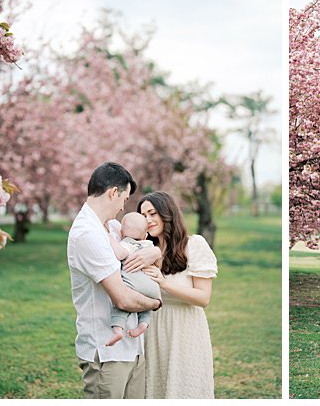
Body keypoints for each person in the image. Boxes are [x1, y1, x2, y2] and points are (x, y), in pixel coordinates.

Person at [67, 162, 163, 399]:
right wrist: (155, 303)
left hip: (132, 349)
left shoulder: (112, 226)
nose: (123, 207)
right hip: (107, 353)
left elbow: (140, 247)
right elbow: (123, 299)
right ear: (113, 193)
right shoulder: (88, 233)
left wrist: (154, 252)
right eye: (125, 199)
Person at [138, 191, 218, 398]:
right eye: (143, 215)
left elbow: (203, 298)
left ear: (167, 213)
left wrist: (164, 283)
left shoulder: (193, 245)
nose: (147, 220)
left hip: (184, 328)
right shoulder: (146, 250)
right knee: (154, 388)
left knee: (184, 389)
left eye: (152, 213)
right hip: (152, 329)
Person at [104, 212, 162, 347]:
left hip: (134, 286)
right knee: (145, 308)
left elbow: (120, 254)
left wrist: (110, 238)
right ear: (145, 235)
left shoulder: (127, 244)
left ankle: (117, 330)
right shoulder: (149, 245)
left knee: (122, 305)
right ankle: (143, 324)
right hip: (153, 288)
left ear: (121, 232)